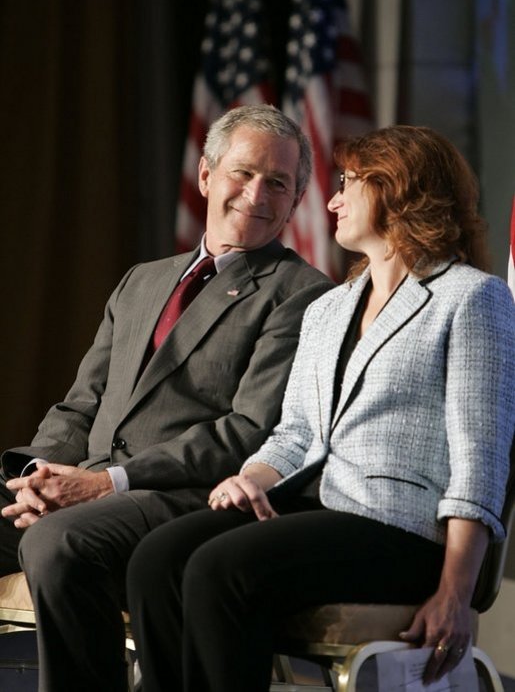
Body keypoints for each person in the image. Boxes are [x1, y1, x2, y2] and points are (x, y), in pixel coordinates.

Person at [126, 124, 515, 692]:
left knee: (220, 569)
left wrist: (456, 590)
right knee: (155, 560)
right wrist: (250, 478)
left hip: (405, 531)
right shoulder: (329, 309)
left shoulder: (472, 297)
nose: (331, 199)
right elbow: (295, 433)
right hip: (316, 509)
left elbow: (481, 458)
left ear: (398, 191)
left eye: (350, 183)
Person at [0, 104, 333, 691]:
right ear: (206, 176)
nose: (257, 193)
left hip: (180, 497)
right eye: (243, 172)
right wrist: (37, 475)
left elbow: (246, 431)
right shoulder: (143, 280)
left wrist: (106, 483)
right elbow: (82, 403)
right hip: (87, 479)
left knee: (59, 542)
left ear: (296, 199)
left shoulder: (302, 294)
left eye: (278, 183)